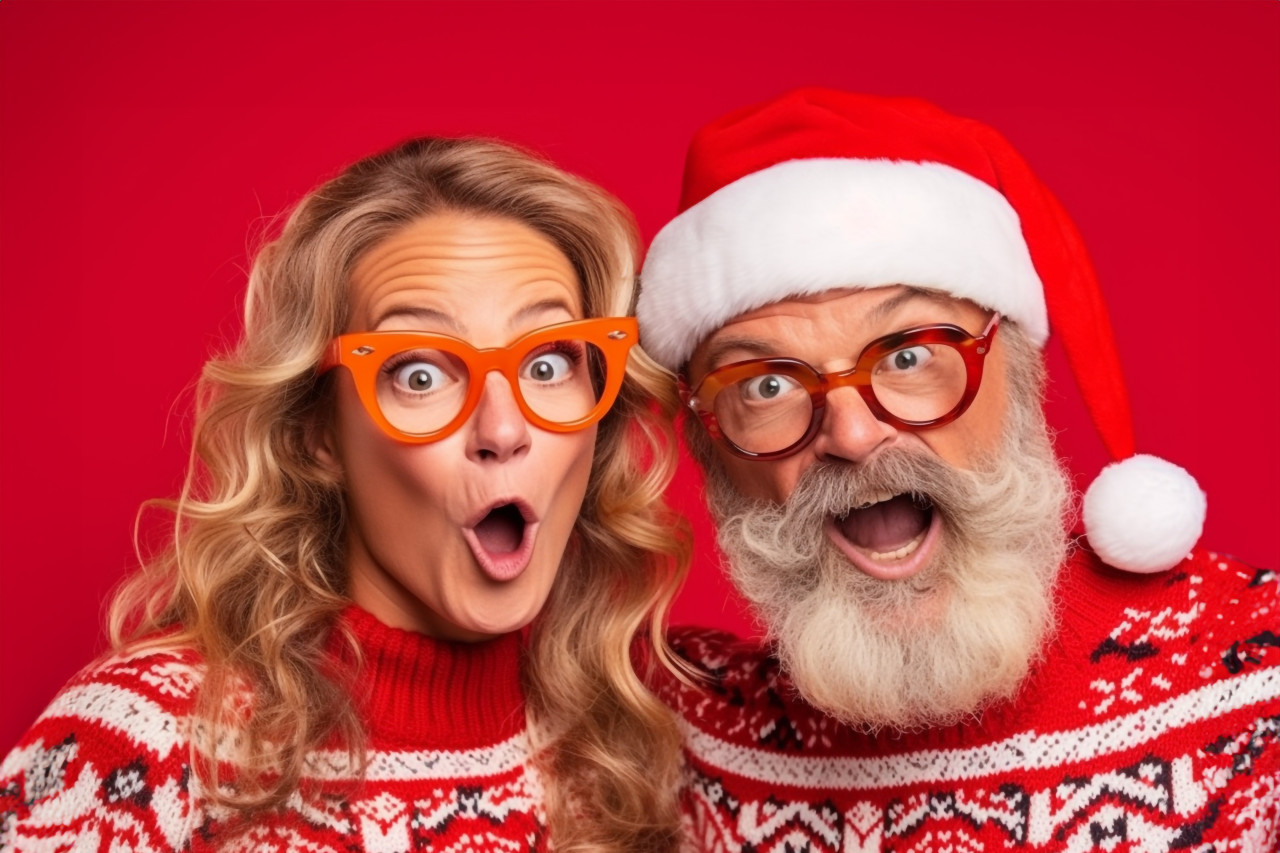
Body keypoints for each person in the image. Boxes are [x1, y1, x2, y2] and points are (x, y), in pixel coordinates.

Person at [0, 137, 690, 851]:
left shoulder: (651, 731)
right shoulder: (144, 746)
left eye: (548, 361)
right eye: (419, 374)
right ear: (316, 431)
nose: (504, 427)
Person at [637, 89, 1279, 850]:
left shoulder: (1258, 683)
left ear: (1020, 377)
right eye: (767, 386)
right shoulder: (675, 728)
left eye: (908, 356)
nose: (852, 431)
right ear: (709, 448)